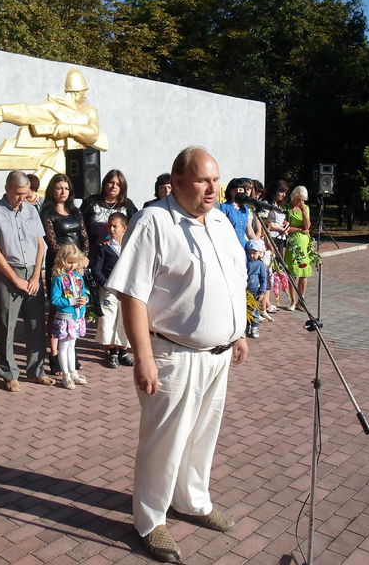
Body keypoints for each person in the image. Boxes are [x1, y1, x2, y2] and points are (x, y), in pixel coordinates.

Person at [107, 146, 248, 563]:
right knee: (163, 442)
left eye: (216, 179)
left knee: (203, 436)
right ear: (179, 181)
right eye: (204, 180)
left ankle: (193, 500)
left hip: (218, 354)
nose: (213, 188)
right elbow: (132, 292)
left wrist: (237, 331)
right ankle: (150, 520)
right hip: (173, 355)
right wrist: (143, 357)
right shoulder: (154, 221)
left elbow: (233, 280)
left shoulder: (220, 220)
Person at [0, 171, 54, 391]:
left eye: (25, 193)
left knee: (35, 324)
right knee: (6, 324)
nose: (22, 198)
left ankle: (35, 371)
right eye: (17, 194)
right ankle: (9, 373)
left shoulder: (31, 210)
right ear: (7, 188)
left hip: (32, 272)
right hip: (7, 273)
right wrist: (15, 279)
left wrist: (35, 276)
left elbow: (40, 244)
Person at [39, 173, 89, 374]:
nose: (63, 191)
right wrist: (67, 258)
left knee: (75, 304)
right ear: (52, 189)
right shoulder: (47, 213)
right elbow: (52, 243)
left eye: (66, 188)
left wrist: (84, 256)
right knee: (56, 307)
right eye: (59, 188)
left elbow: (84, 236)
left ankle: (71, 351)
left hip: (76, 264)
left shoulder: (75, 211)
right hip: (58, 263)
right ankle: (54, 355)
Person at [92, 212, 132, 369]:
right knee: (108, 319)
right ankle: (111, 352)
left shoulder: (130, 247)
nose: (112, 229)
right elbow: (96, 269)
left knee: (124, 320)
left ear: (124, 228)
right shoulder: (104, 247)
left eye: (115, 226)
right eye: (110, 225)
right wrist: (105, 284)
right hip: (109, 290)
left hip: (126, 290)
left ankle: (123, 351)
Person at [49, 244, 90, 390]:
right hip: (65, 317)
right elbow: (54, 299)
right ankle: (65, 374)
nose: (72, 265)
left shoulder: (79, 276)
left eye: (74, 262)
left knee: (72, 345)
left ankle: (73, 372)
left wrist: (85, 299)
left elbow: (84, 292)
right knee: (64, 345)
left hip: (77, 316)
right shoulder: (58, 278)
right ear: (62, 260)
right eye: (69, 262)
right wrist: (71, 301)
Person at [80, 169, 137, 262]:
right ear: (105, 183)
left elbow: (134, 226)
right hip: (95, 251)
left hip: (120, 253)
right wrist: (95, 240)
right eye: (111, 182)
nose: (114, 186)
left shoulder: (128, 205)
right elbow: (81, 226)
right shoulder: (91, 202)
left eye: (118, 184)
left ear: (122, 187)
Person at [285, 185, 313, 310]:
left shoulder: (305, 208)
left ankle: (301, 300)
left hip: (304, 243)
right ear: (294, 196)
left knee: (304, 272)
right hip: (293, 243)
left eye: (303, 199)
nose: (302, 201)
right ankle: (292, 300)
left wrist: (304, 212)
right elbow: (286, 228)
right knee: (292, 272)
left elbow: (307, 227)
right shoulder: (287, 208)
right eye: (299, 198)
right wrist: (300, 229)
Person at [244, 239, 269, 339]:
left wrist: (262, 292)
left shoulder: (260, 265)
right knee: (245, 310)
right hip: (245, 290)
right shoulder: (245, 262)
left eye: (254, 253)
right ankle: (246, 327)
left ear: (259, 253)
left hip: (255, 291)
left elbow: (263, 279)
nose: (251, 255)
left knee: (254, 310)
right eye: (249, 253)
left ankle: (254, 327)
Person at [219, 178, 255, 246]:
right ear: (230, 192)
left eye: (240, 190)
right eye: (235, 190)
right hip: (229, 245)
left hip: (243, 245)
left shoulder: (244, 208)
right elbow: (222, 229)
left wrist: (257, 245)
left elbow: (249, 231)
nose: (238, 192)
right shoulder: (224, 207)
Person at [263, 180, 290, 258]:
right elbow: (264, 222)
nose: (284, 195)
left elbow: (280, 219)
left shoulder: (279, 205)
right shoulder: (266, 203)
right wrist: (280, 229)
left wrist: (286, 223)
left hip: (280, 237)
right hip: (271, 237)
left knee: (280, 263)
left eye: (285, 192)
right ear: (274, 191)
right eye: (282, 192)